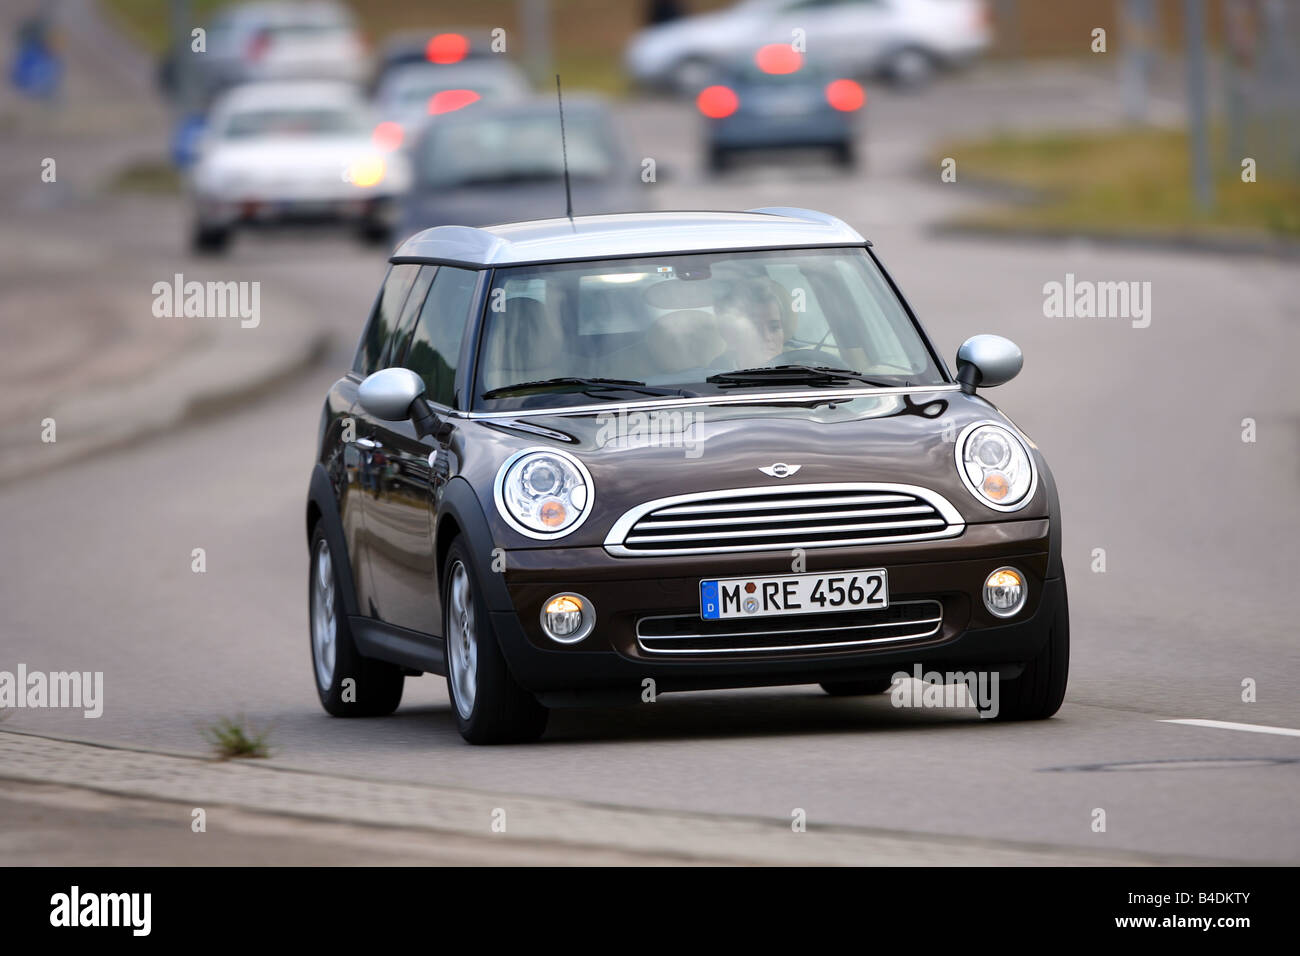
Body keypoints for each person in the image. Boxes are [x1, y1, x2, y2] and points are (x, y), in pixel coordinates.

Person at [711, 280, 788, 369]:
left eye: (774, 328)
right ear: (733, 336)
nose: (767, 337)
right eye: (755, 329)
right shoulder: (707, 379)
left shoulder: (802, 370)